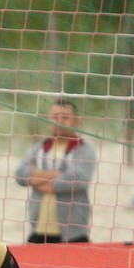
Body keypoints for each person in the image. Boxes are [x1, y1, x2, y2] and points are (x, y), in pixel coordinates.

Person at [14, 98, 97, 243]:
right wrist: (57, 175)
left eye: (65, 117)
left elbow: (77, 179)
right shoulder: (39, 148)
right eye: (55, 117)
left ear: (76, 121)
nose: (59, 121)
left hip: (73, 233)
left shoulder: (84, 150)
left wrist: (36, 180)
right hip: (38, 230)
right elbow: (20, 175)